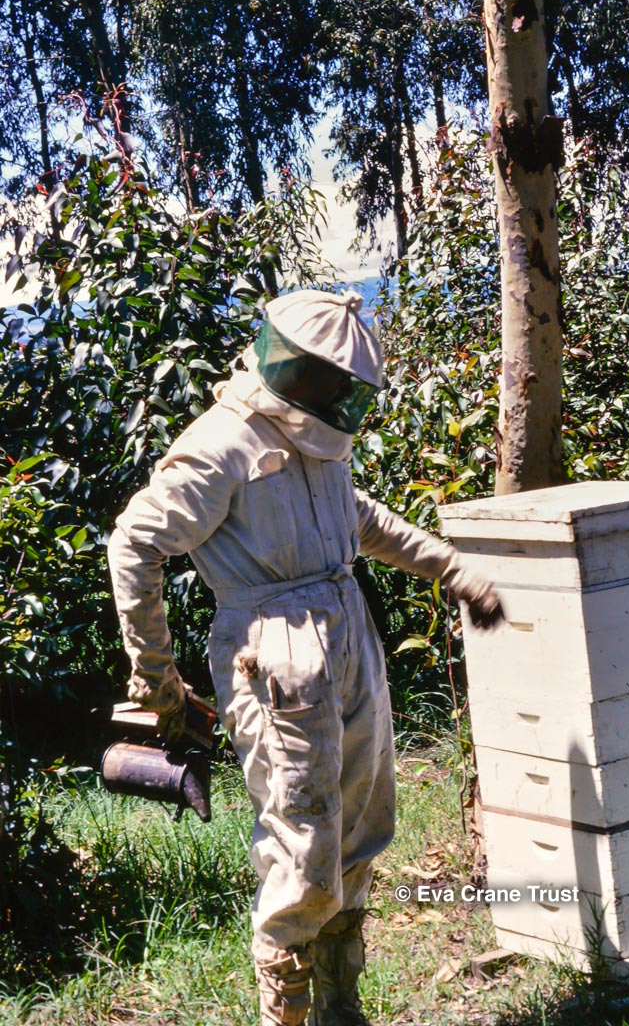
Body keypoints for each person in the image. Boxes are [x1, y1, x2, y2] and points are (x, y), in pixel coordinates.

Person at [107, 288, 504, 1026]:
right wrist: (156, 676)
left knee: (358, 829)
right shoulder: (221, 444)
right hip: (275, 657)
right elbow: (134, 543)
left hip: (347, 637)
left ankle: (339, 1008)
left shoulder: (315, 439)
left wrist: (452, 569)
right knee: (303, 842)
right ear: (291, 365)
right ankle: (284, 1014)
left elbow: (361, 520)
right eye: (323, 377)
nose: (333, 394)